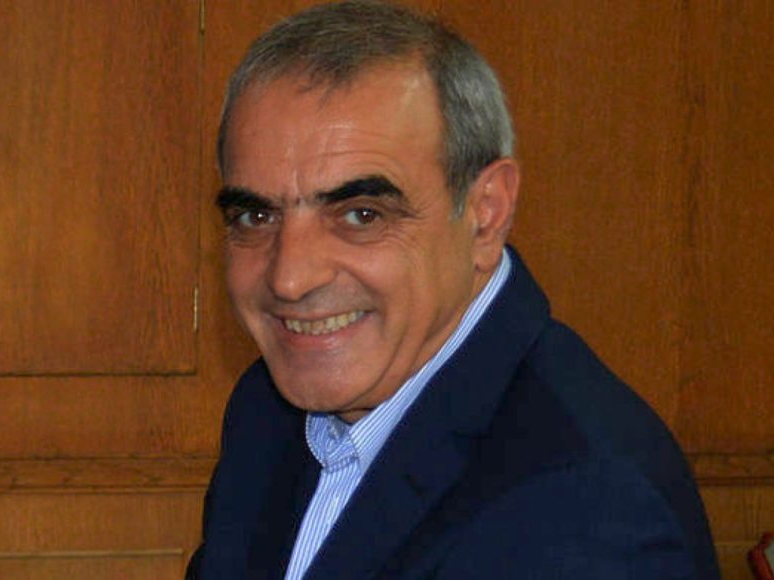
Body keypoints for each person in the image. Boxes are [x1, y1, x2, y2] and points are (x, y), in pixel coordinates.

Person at [188, 1, 720, 578]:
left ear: (486, 215)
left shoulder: (585, 504)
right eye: (255, 217)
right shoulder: (268, 412)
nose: (289, 278)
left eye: (361, 215)